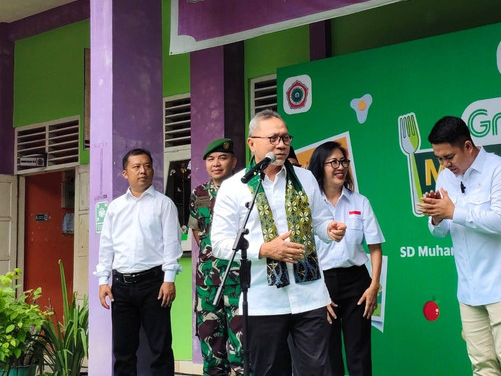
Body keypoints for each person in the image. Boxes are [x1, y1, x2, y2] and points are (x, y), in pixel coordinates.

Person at [210, 110, 347, 376]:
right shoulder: (235, 187)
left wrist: (330, 229)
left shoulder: (305, 178)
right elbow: (219, 244)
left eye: (285, 137)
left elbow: (320, 221)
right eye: (273, 138)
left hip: (310, 297)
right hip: (264, 300)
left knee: (316, 370)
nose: (281, 144)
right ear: (252, 143)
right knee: (270, 371)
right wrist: (264, 249)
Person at [417, 116, 501, 375]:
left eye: (449, 157)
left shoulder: (500, 169)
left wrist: (453, 210)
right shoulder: (444, 177)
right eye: (439, 158)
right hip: (469, 290)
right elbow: (441, 232)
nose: (444, 164)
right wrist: (437, 217)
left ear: (468, 146)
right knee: (482, 365)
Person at [95, 148, 183, 375]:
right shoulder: (115, 207)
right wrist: (103, 281)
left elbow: (172, 244)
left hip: (154, 284)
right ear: (125, 173)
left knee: (160, 347)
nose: (142, 171)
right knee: (123, 350)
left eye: (147, 166)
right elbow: (106, 246)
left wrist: (169, 279)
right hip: (121, 287)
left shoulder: (164, 204)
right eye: (136, 167)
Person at [308, 141, 384, 376]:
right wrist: (317, 291)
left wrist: (373, 286)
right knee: (328, 356)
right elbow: (303, 250)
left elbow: (375, 248)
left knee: (359, 353)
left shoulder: (360, 202)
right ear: (320, 167)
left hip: (357, 283)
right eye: (333, 162)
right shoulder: (309, 205)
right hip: (322, 283)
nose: (340, 167)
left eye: (343, 162)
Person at [188, 138, 243, 375]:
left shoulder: (246, 189)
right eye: (210, 159)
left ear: (234, 162)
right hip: (208, 282)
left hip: (239, 279)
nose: (216, 164)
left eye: (222, 158)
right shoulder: (198, 194)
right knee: (210, 343)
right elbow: (197, 231)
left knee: (242, 345)